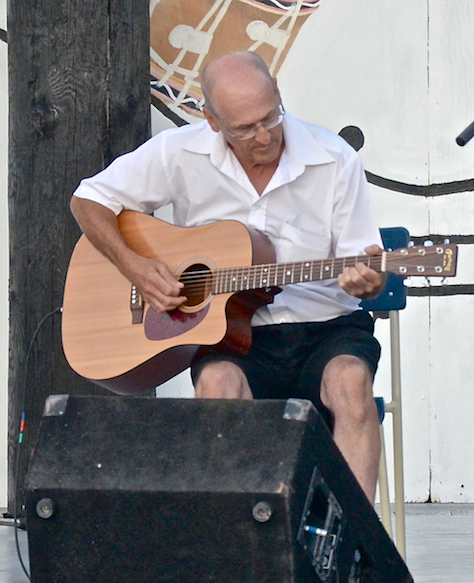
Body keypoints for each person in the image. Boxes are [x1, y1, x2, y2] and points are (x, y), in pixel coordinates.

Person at [70, 51, 387, 504]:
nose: (264, 136)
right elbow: (88, 201)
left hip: (325, 330)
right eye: (244, 128)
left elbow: (365, 267)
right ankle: (246, 547)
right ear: (213, 121)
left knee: (351, 383)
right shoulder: (178, 152)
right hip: (233, 336)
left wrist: (368, 281)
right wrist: (134, 266)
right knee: (217, 387)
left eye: (270, 118)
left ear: (278, 93)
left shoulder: (334, 159)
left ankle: (356, 554)